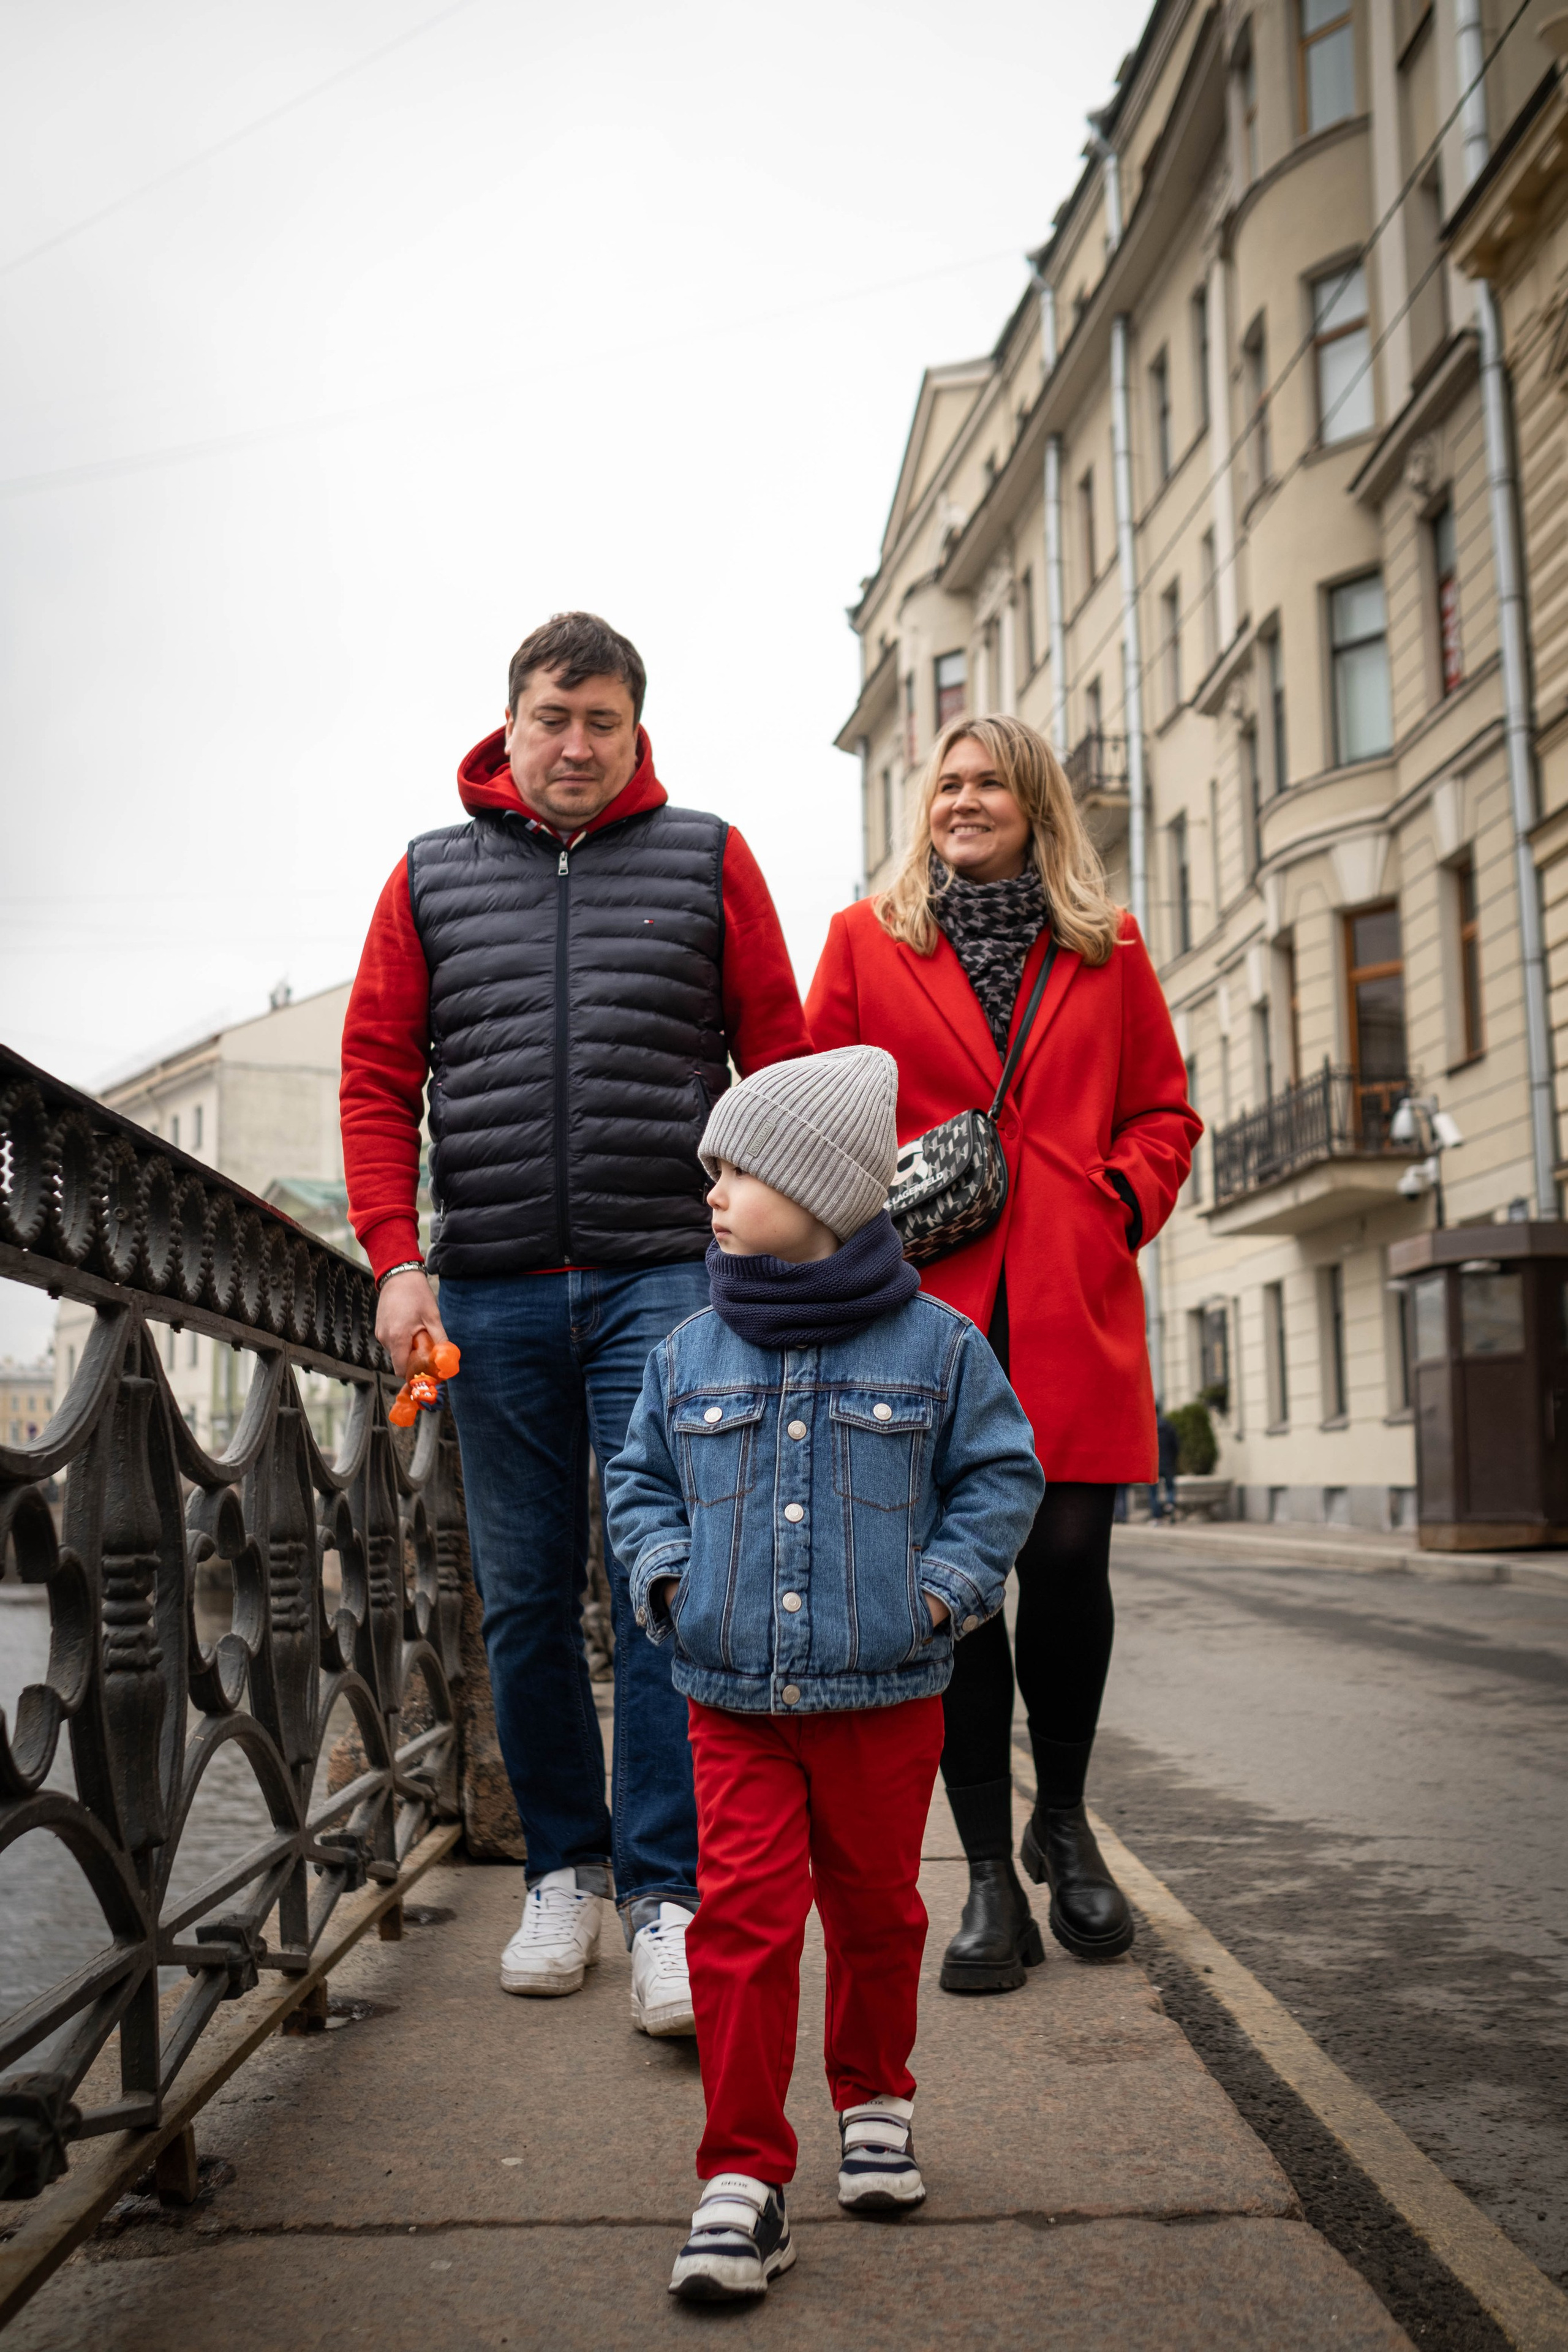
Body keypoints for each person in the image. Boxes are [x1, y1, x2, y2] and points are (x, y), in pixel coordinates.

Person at [341, 610, 811, 2029]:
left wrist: (767, 1239)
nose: (575, 743)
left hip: (666, 1277)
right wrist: (393, 1256)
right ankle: (564, 1869)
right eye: (554, 716)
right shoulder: (429, 875)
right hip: (483, 1283)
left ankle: (667, 1893)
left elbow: (776, 1056)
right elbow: (376, 1076)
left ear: (634, 728)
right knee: (528, 1593)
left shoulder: (708, 856)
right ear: (513, 721)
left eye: (602, 720)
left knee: (663, 1582)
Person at [605, 1047, 1043, 2302]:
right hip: (730, 1699)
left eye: (738, 1169)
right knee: (736, 1928)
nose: (714, 1191)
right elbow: (637, 1485)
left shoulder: (939, 1348)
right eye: (713, 1170)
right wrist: (670, 1580)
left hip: (888, 1692)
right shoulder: (688, 1351)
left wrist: (939, 1596)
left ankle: (875, 2100)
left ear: (823, 1189)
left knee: (875, 1910)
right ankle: (740, 2178)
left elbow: (998, 1480)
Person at [807, 714, 1199, 1989]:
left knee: (1069, 1563)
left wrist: (1117, 1202)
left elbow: (1162, 1111)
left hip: (1070, 1299)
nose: (962, 800)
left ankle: (1064, 1823)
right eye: (946, 784)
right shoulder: (865, 944)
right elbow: (812, 1111)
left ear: (1034, 806)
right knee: (957, 1594)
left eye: (987, 784)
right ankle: (983, 1874)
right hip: (920, 1310)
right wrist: (854, 1237)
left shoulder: (1107, 945)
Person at [1152, 1408, 1180, 1522]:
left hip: (1154, 1465)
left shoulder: (1150, 1428)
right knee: (1170, 1488)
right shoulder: (1169, 1427)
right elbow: (1176, 1446)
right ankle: (1170, 1506)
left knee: (1153, 1492)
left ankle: (1156, 1517)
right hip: (1168, 1464)